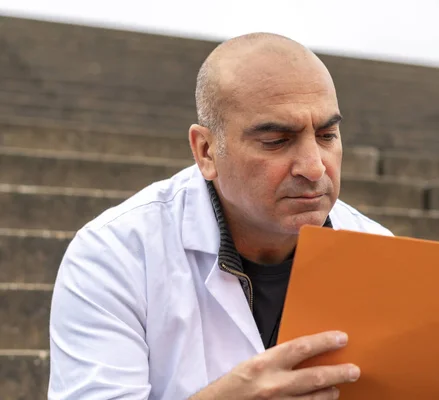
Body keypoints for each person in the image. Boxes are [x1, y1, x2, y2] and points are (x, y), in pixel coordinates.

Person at [48, 32, 393, 400]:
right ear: (207, 151)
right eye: (276, 140)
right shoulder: (113, 255)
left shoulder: (386, 256)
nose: (313, 167)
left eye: (327, 135)